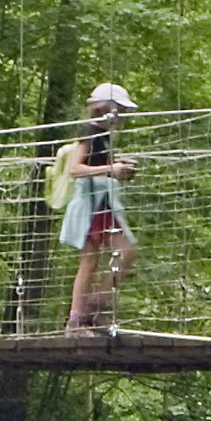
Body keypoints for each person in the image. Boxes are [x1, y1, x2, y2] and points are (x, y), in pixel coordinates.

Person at [55, 83, 142, 333]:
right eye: (121, 109)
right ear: (107, 109)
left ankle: (90, 310)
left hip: (102, 205)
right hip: (91, 206)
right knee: (99, 259)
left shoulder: (103, 137)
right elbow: (75, 169)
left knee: (116, 254)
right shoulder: (89, 133)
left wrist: (120, 169)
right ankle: (83, 316)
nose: (123, 115)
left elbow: (101, 165)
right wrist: (111, 169)